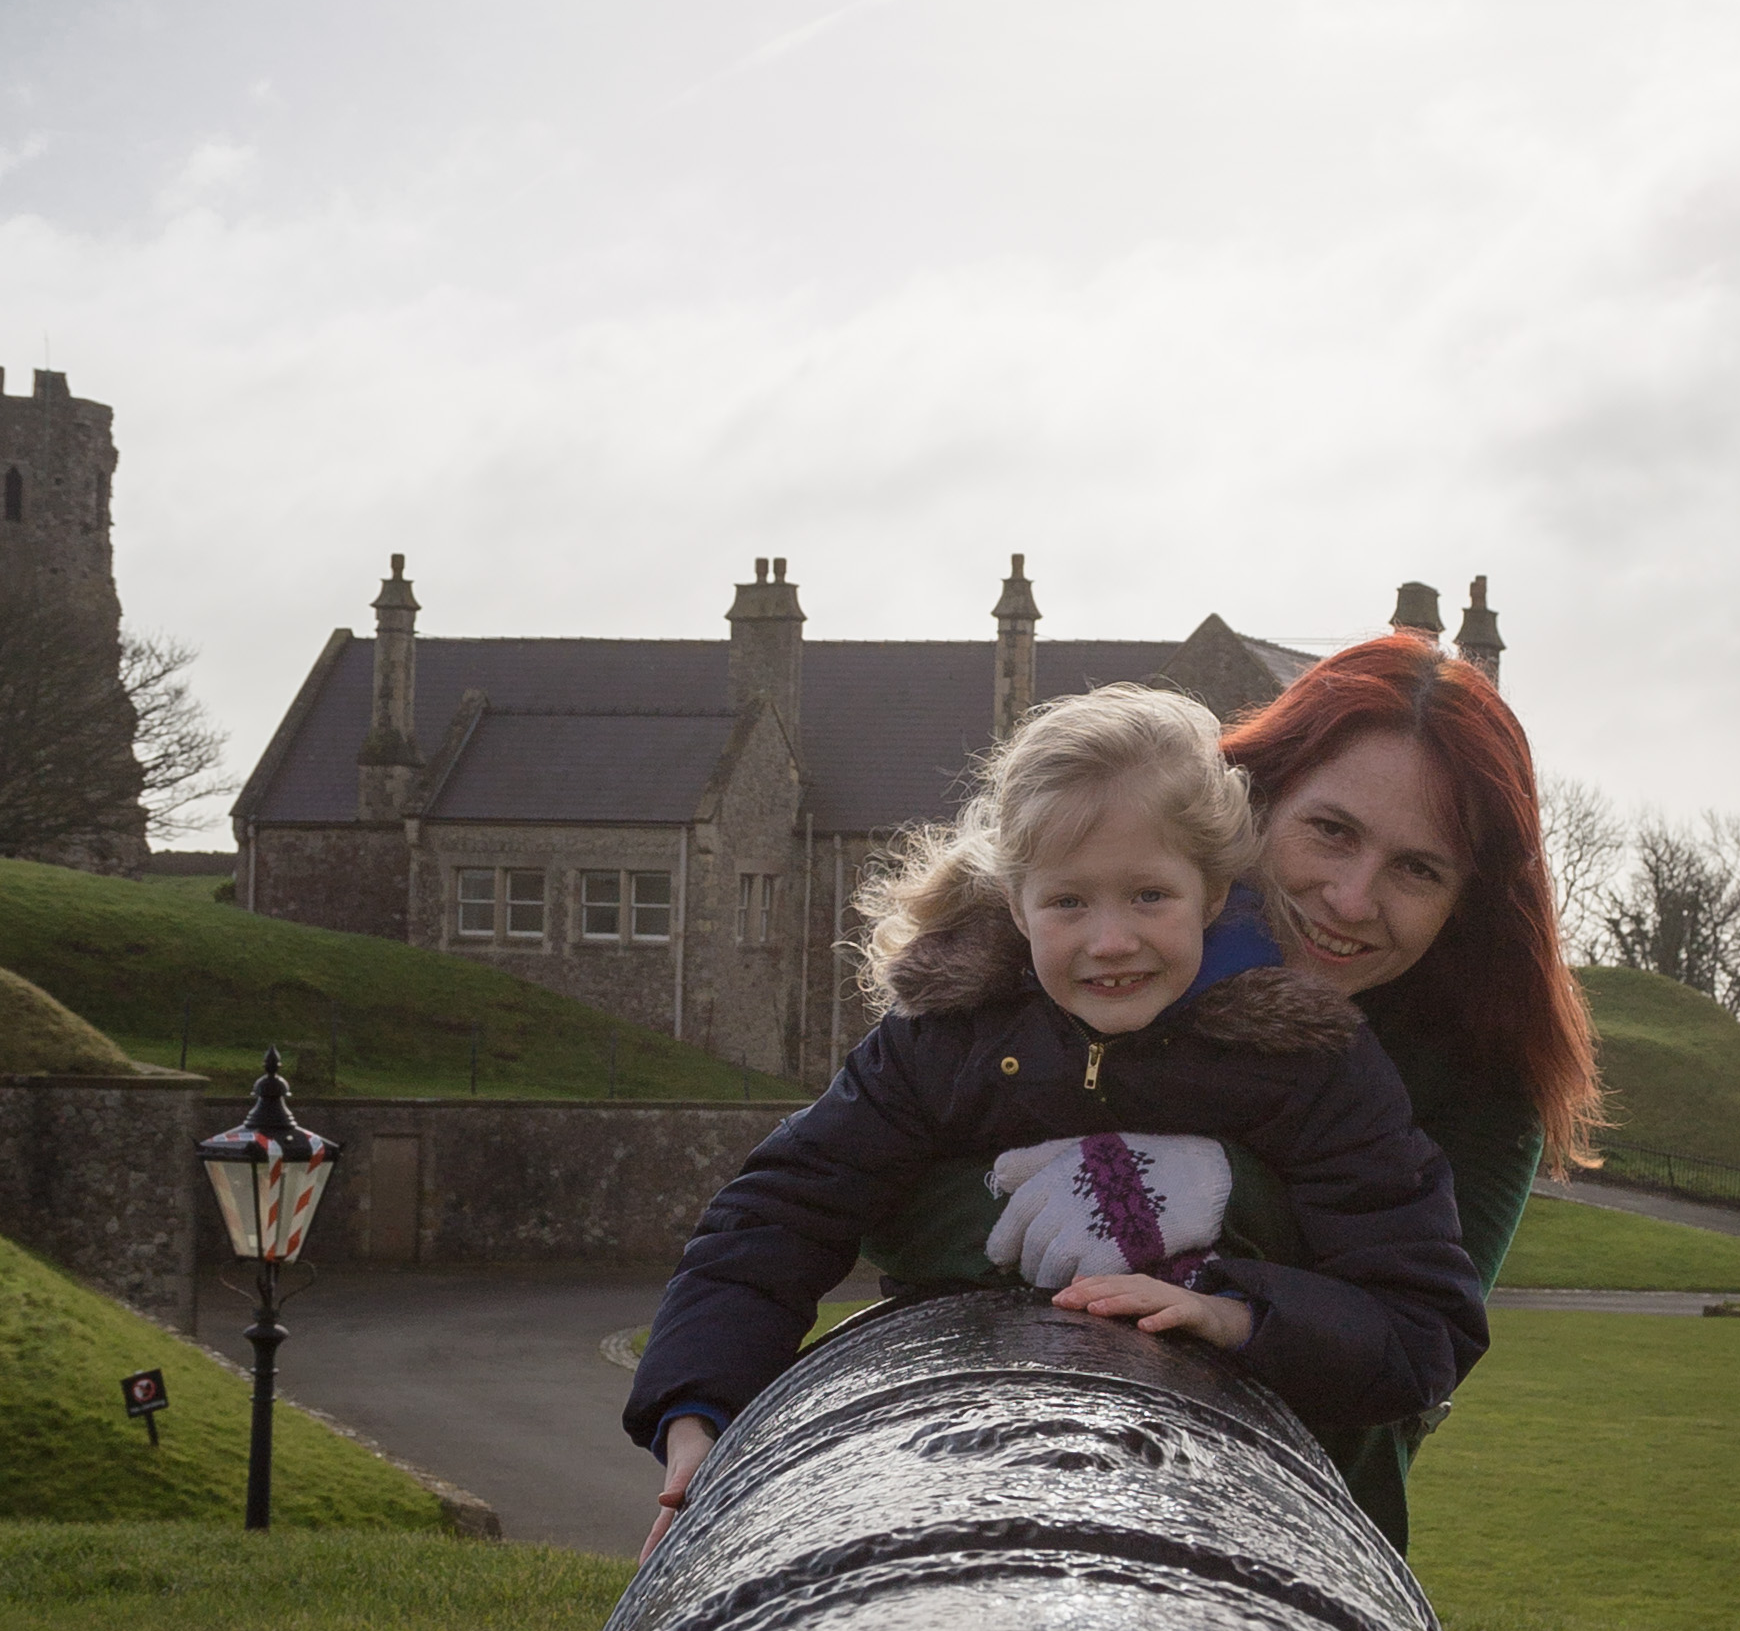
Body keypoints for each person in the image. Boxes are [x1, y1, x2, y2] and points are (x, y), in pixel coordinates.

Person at [624, 681, 1488, 1556]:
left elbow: (1423, 1323)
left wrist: (1233, 1311)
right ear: (1014, 903)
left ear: (1214, 893)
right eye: (1069, 901)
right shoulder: (945, 1038)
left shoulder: (1310, 1063)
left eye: (1149, 895)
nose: (1110, 940)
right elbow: (779, 1210)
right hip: (964, 1436)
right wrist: (698, 1410)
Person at [1213, 631, 1602, 1547]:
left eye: (1417, 869)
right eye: (1331, 830)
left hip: (1294, 1534)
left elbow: (1405, 1361)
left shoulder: (1483, 1086)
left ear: (1467, 900)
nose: (1352, 899)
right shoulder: (1116, 941)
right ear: (1258, 799)